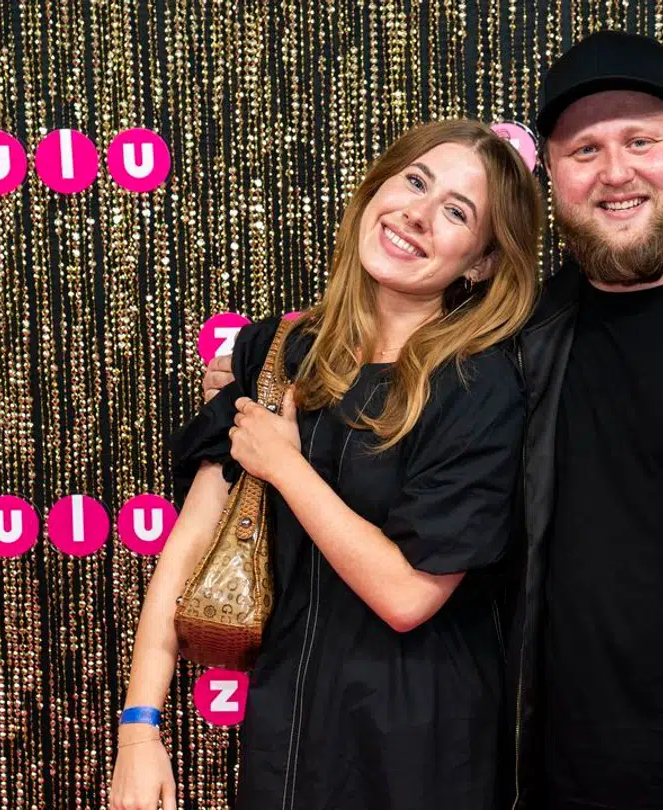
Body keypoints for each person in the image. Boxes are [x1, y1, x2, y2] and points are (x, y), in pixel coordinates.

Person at [204, 32, 663, 810]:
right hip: (553, 774)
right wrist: (255, 363)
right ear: (553, 181)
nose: (616, 171)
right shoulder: (519, 340)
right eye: (584, 150)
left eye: (641, 141)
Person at [109, 119, 543, 810]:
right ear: (378, 185)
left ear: (481, 262)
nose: (418, 215)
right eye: (416, 181)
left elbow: (407, 596)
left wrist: (286, 467)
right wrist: (139, 729)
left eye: (457, 212)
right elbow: (189, 543)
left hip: (418, 747)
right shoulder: (273, 353)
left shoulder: (477, 387)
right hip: (286, 729)